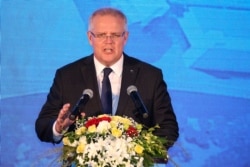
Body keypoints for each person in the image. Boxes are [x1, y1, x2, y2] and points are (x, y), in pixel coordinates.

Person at [35, 7, 179, 149]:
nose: (108, 41)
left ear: (125, 37)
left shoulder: (150, 76)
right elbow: (43, 126)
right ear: (90, 38)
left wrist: (137, 149)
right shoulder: (67, 76)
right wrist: (58, 127)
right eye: (102, 35)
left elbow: (168, 128)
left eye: (115, 35)